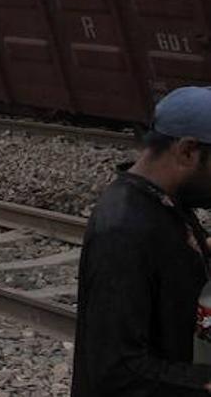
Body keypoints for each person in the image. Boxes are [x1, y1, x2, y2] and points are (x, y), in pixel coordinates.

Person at [71, 86, 211, 394]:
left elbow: (172, 263)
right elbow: (118, 370)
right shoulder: (122, 232)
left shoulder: (165, 202)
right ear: (187, 151)